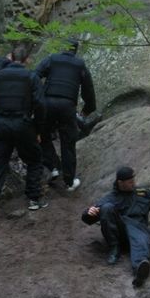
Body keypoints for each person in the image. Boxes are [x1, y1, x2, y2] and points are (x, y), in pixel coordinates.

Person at [0, 46, 48, 227]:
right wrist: (38, 130)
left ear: (11, 57)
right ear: (26, 60)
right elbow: (40, 105)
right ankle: (33, 199)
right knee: (34, 159)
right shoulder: (32, 77)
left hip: (0, 125)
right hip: (23, 125)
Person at [81, 166, 150, 287]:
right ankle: (114, 249)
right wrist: (89, 212)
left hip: (139, 232)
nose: (133, 183)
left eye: (133, 180)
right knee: (107, 207)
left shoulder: (143, 193)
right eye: (130, 182)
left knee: (142, 238)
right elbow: (90, 215)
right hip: (120, 235)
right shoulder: (111, 197)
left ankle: (140, 269)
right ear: (120, 183)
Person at [35, 38, 96, 192]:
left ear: (63, 48)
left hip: (47, 103)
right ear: (76, 50)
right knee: (68, 143)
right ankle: (69, 181)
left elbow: (35, 75)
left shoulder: (51, 59)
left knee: (43, 135)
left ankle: (53, 166)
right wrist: (88, 109)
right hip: (67, 106)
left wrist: (38, 98)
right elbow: (88, 89)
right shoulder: (80, 64)